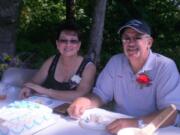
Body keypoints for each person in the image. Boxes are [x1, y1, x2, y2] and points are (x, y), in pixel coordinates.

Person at [67, 19, 180, 134]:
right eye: (126, 38)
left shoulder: (165, 66)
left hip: (155, 130)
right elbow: (100, 95)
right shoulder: (116, 62)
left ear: (149, 42)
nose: (130, 43)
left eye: (137, 37)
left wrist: (133, 123)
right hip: (118, 128)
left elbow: (170, 113)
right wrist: (84, 101)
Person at [20, 21, 96, 101]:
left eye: (73, 41)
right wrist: (28, 88)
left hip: (74, 112)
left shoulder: (88, 67)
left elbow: (81, 94)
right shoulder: (52, 61)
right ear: (57, 44)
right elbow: (34, 82)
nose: (68, 44)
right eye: (63, 40)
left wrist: (46, 91)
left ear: (79, 45)